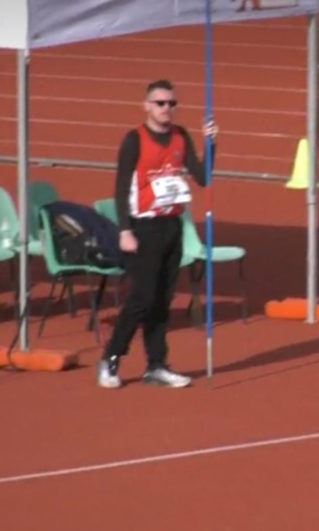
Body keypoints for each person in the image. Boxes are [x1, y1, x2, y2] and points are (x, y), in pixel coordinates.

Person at [96, 79, 219, 389]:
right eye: (160, 103)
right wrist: (125, 230)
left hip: (171, 225)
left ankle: (157, 364)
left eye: (171, 103)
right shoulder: (134, 140)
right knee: (142, 298)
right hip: (143, 228)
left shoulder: (180, 136)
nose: (167, 108)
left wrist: (211, 145)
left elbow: (203, 177)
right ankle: (111, 357)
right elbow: (121, 187)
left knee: (162, 301)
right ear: (147, 106)